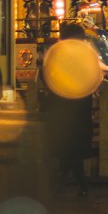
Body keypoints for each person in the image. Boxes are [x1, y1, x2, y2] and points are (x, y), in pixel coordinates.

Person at [45, 21, 95, 195]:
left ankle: (66, 184)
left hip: (67, 110)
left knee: (68, 149)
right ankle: (76, 185)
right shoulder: (83, 58)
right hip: (75, 110)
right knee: (70, 150)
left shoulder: (64, 58)